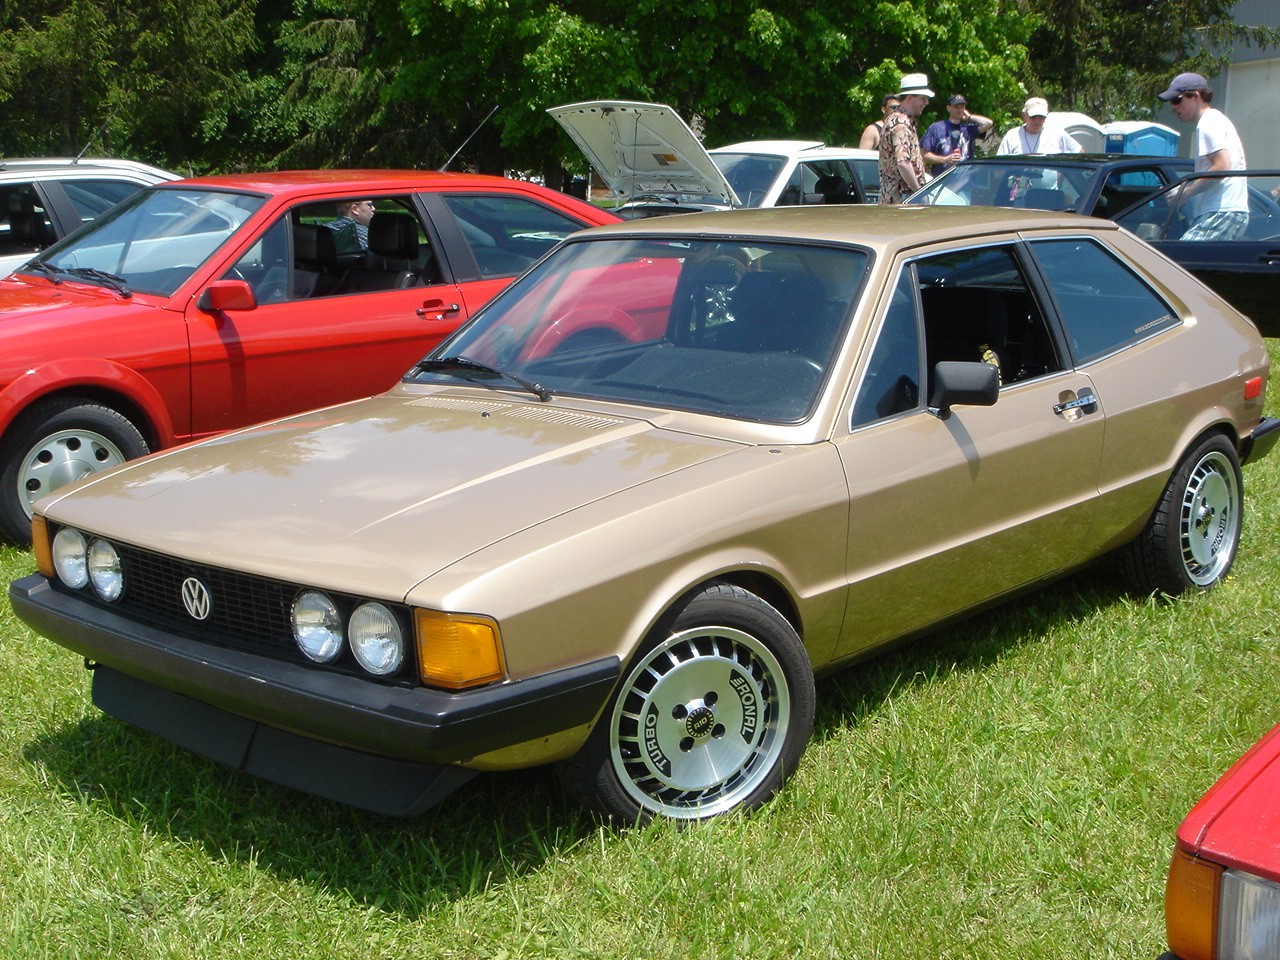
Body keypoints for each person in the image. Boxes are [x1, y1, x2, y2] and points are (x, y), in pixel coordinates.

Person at [1159, 71, 1248, 241]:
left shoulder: (1208, 122)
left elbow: (1222, 167)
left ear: (1196, 96)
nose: (1173, 107)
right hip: (1224, 211)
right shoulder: (1215, 120)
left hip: (1221, 212)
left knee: (1180, 256)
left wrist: (1185, 193)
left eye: (1176, 100)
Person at [878, 73, 933, 204]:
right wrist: (919, 193)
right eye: (923, 98)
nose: (926, 103)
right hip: (903, 199)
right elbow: (903, 163)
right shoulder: (901, 124)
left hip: (898, 199)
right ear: (909, 98)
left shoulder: (897, 119)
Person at [920, 95, 995, 174]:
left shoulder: (968, 129)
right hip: (943, 177)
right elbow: (923, 155)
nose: (959, 110)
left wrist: (969, 117)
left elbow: (988, 123)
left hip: (965, 178)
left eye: (962, 107)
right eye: (956, 107)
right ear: (948, 108)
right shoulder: (936, 128)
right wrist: (945, 159)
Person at [996, 98, 1082, 155]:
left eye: (1041, 117)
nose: (1037, 121)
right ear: (1024, 116)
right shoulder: (1012, 136)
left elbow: (1080, 153)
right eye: (1033, 117)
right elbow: (999, 168)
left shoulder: (1057, 134)